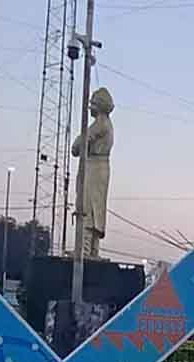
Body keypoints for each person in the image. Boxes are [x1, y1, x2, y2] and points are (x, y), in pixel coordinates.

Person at [72, 87, 115, 258]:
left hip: (94, 167)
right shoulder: (106, 124)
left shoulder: (100, 124)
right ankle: (93, 250)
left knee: (87, 208)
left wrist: (78, 143)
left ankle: (84, 251)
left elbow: (77, 146)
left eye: (92, 103)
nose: (90, 107)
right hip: (100, 168)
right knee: (96, 209)